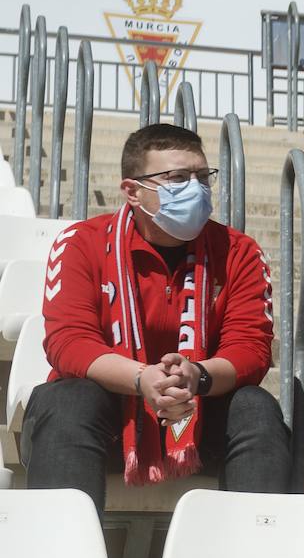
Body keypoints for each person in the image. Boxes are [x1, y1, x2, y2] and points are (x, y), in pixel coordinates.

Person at [22, 124, 289, 513]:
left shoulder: (239, 251)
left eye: (203, 177)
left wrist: (196, 376)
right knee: (69, 400)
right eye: (178, 178)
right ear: (132, 191)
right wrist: (140, 378)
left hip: (197, 414)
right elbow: (69, 343)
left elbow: (250, 348)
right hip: (101, 422)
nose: (195, 189)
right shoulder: (82, 242)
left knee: (256, 408)